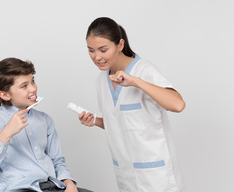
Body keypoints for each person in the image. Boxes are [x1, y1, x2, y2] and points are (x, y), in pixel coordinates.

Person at [78, 17, 186, 192]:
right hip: (126, 177)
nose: (97, 57)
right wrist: (95, 121)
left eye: (103, 50)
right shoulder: (101, 81)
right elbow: (119, 122)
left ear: (120, 45)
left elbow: (178, 104)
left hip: (156, 177)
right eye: (91, 50)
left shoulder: (144, 71)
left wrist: (136, 82)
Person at [0, 58, 92, 192]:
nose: (33, 88)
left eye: (33, 81)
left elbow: (57, 160)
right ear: (5, 95)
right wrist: (6, 134)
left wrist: (69, 183)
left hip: (53, 186)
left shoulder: (44, 120)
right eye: (24, 86)